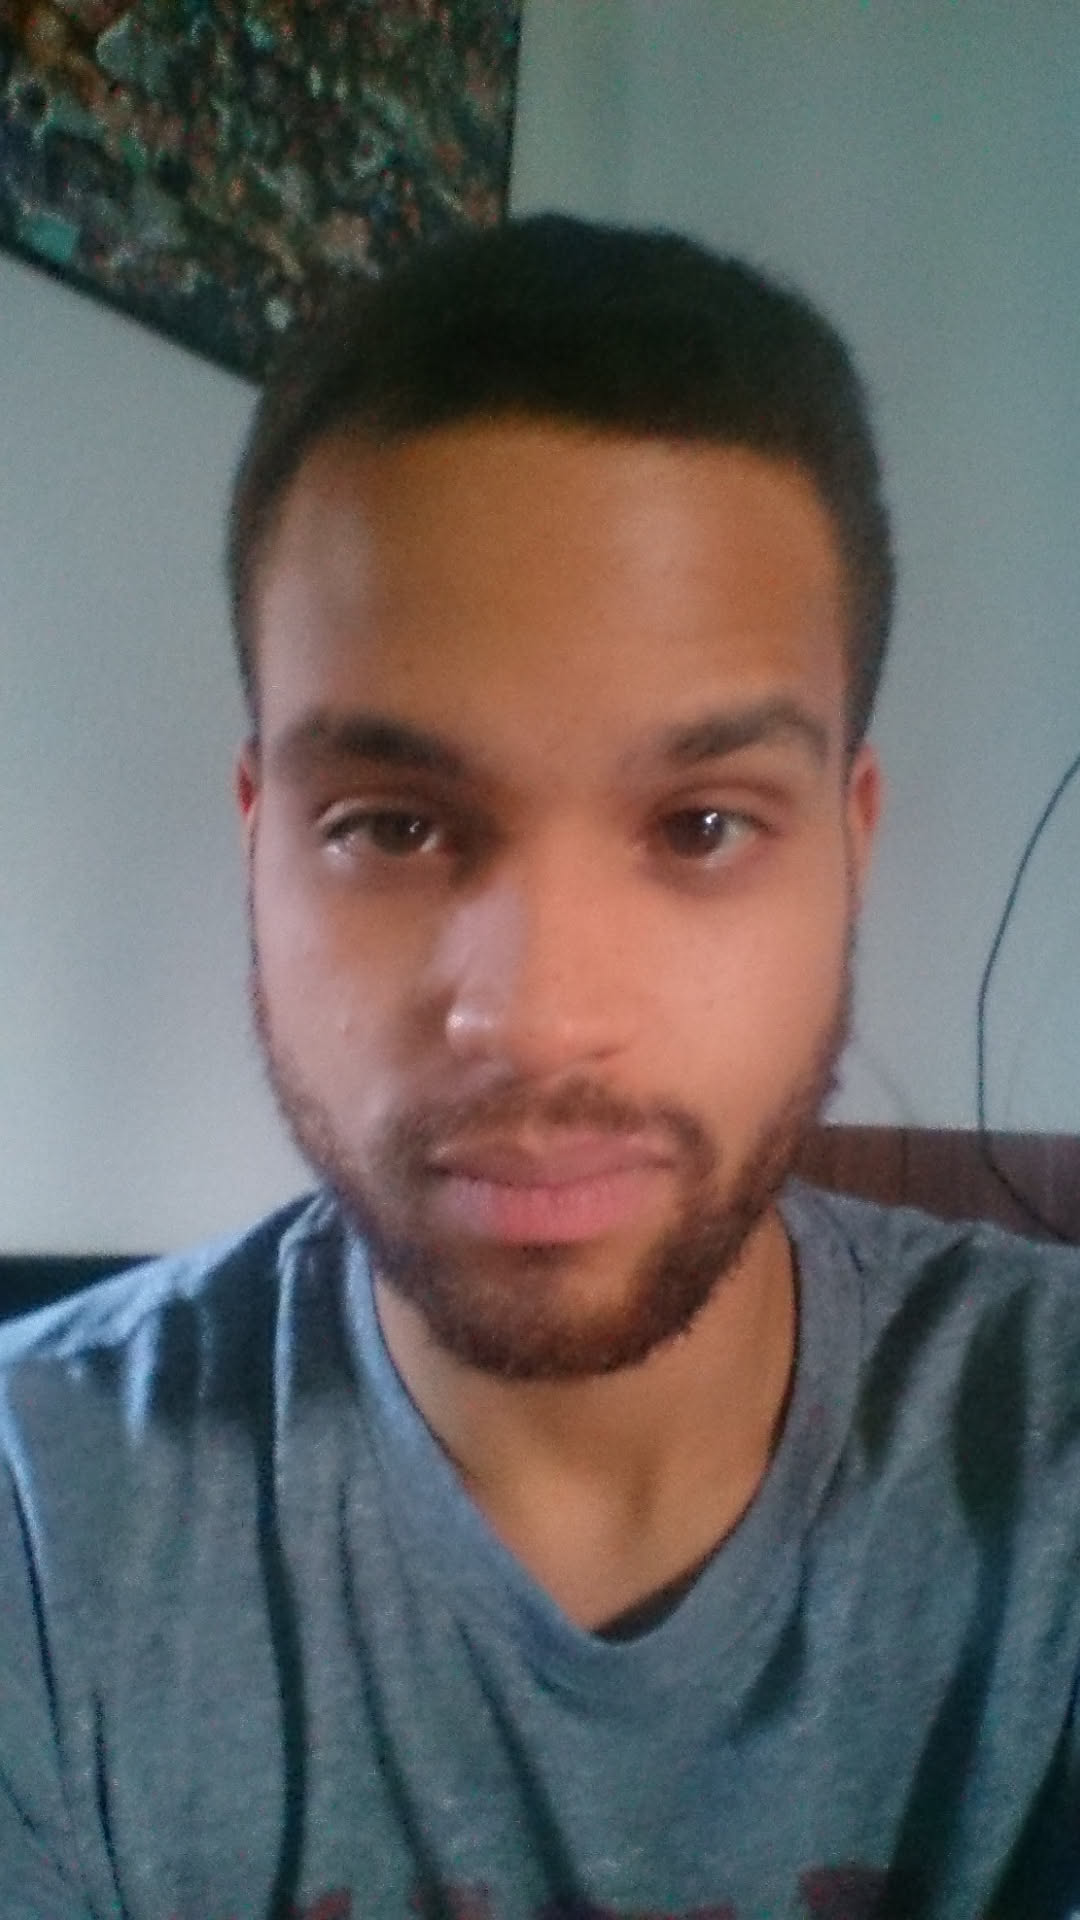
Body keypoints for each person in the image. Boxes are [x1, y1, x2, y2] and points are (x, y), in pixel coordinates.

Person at [1, 214, 1078, 1920]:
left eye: (703, 825)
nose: (539, 1019)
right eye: (392, 824)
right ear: (259, 839)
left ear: (852, 849)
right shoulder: (37, 1524)